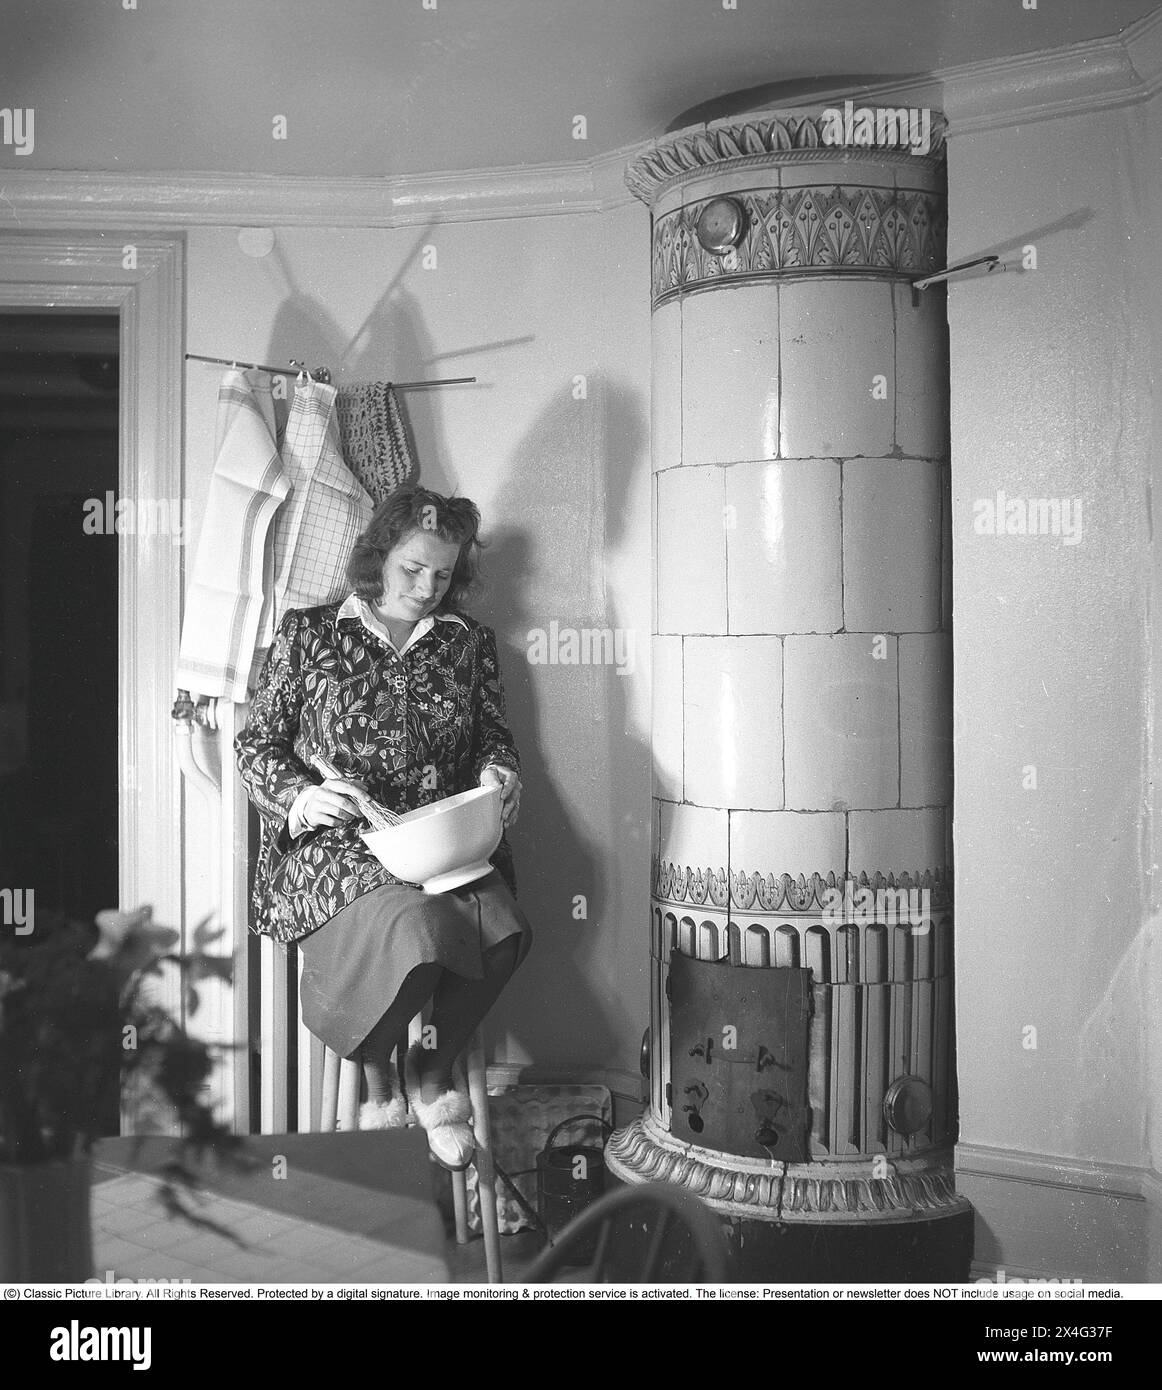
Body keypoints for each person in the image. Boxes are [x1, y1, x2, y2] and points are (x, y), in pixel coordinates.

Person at [235, 485, 531, 1169]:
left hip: (439, 839)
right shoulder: (309, 634)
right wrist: (301, 799)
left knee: (506, 932)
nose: (429, 588)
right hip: (340, 847)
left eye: (444, 574)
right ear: (380, 556)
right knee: (417, 932)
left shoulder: (468, 646)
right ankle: (378, 1077)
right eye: (412, 569)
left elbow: (495, 738)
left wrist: (499, 777)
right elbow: (256, 746)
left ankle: (430, 1073)